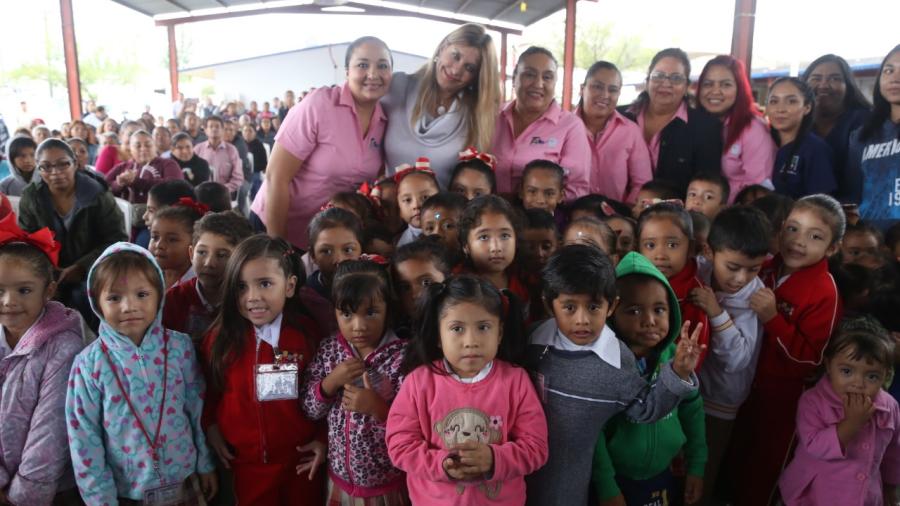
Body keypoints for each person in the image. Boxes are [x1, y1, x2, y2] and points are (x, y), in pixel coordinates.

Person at [524, 246, 703, 506]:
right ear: (548, 305)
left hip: (567, 480)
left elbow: (645, 409)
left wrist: (678, 373)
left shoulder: (617, 362)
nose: (582, 319)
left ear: (611, 306)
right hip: (517, 465)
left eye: (594, 306)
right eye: (569, 307)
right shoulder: (533, 339)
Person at [65, 243, 217, 505]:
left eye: (142, 294)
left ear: (159, 295)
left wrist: (205, 463)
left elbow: (198, 410)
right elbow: (83, 439)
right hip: (124, 493)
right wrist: (101, 500)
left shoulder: (180, 348)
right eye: (114, 298)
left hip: (185, 481)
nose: (129, 306)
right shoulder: (88, 365)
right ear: (96, 302)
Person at [386, 274, 548, 504]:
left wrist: (494, 459)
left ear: (499, 333)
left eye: (483, 327)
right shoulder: (418, 382)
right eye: (457, 329)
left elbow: (536, 448)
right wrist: (441, 464)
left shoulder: (516, 381)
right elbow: (400, 445)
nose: (471, 341)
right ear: (439, 336)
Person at [731, 194, 845, 505]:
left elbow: (809, 360)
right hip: (744, 383)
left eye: (815, 236)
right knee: (735, 451)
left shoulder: (823, 290)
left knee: (766, 463)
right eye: (793, 229)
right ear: (781, 229)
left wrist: (773, 319)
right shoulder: (765, 267)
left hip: (784, 397)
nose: (798, 242)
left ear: (832, 248)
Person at [201, 235, 326, 505]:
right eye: (241, 287)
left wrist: (322, 439)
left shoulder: (307, 335)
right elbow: (209, 390)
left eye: (265, 284)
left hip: (301, 462)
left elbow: (327, 394)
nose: (252, 297)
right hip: (245, 465)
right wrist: (210, 425)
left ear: (290, 286)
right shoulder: (219, 339)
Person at [252, 37, 393, 249]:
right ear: (347, 71)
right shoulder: (320, 105)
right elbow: (276, 177)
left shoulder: (385, 121)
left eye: (382, 66)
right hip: (276, 226)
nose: (373, 74)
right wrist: (277, 246)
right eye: (362, 65)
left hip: (325, 238)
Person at [592, 252, 707, 506]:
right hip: (614, 481)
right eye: (633, 310)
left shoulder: (676, 358)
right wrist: (606, 487)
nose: (650, 321)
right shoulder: (604, 366)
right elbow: (594, 435)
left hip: (662, 476)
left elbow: (693, 411)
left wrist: (697, 466)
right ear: (611, 314)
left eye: (659, 309)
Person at [303, 258, 408, 503]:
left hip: (387, 484)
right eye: (347, 314)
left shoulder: (403, 358)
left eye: (371, 312)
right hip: (339, 480)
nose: (358, 326)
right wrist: (330, 382)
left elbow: (415, 426)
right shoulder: (330, 349)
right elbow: (310, 410)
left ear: (388, 310)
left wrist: (378, 408)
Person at [688, 206, 770, 504]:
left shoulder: (754, 297)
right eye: (733, 267)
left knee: (704, 470)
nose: (741, 278)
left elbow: (738, 360)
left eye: (754, 269)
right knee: (680, 461)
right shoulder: (698, 269)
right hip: (689, 387)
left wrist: (716, 312)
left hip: (721, 399)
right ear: (709, 251)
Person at [0, 215, 84, 505]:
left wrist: (22, 496)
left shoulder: (63, 348)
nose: (8, 301)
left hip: (47, 489)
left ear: (48, 291)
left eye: (23, 290)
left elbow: (50, 433)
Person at [779, 317, 900, 505]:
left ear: (886, 374)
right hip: (814, 496)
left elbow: (893, 452)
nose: (858, 383)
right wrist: (852, 424)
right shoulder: (813, 401)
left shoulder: (889, 406)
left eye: (872, 376)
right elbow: (815, 446)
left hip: (865, 497)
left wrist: (891, 489)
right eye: (846, 371)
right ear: (828, 365)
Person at [17, 139, 127, 323]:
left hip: (93, 267)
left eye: (63, 164)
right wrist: (47, 269)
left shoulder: (96, 194)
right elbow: (26, 241)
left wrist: (81, 267)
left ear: (75, 163)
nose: (55, 172)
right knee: (25, 293)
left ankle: (103, 344)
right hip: (47, 269)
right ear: (38, 168)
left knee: (83, 295)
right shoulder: (31, 196)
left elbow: (117, 239)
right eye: (46, 167)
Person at [383, 24, 500, 188]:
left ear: (476, 77)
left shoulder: (478, 116)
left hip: (442, 213)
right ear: (442, 48)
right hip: (388, 209)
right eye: (455, 56)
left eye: (469, 68)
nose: (456, 70)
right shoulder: (397, 87)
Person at [491, 47, 591, 200]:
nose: (538, 84)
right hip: (490, 215)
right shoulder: (492, 117)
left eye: (547, 77)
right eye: (529, 74)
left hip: (542, 217)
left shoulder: (571, 126)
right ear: (515, 78)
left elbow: (577, 188)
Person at [623, 48, 723, 194]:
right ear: (647, 80)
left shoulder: (705, 128)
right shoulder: (620, 117)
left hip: (676, 214)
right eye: (658, 76)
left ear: (686, 86)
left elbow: (706, 186)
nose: (666, 83)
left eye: (676, 78)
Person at [638, 202, 711, 366]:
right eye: (650, 245)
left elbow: (693, 357)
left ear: (690, 248)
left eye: (672, 245)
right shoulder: (633, 283)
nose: (660, 255)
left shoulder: (694, 295)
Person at [163, 211, 253, 343]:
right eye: (202, 252)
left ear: (242, 260)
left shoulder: (247, 301)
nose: (209, 263)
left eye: (222, 255)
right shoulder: (173, 300)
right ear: (191, 253)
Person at [697, 55, 777, 199]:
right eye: (708, 84)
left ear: (739, 89)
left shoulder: (753, 129)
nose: (715, 91)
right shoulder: (701, 124)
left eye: (725, 85)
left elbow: (759, 190)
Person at [577, 61, 653, 203]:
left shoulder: (630, 132)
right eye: (597, 87)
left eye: (612, 90)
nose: (605, 95)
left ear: (618, 94)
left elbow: (642, 183)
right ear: (582, 89)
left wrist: (625, 214)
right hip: (570, 217)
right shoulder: (566, 127)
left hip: (616, 219)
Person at [803, 54, 873, 201]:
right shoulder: (797, 125)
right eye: (816, 78)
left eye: (835, 78)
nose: (823, 85)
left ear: (848, 86)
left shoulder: (865, 121)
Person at [848, 44, 900, 228]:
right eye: (889, 70)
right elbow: (853, 194)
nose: (895, 78)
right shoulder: (861, 136)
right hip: (871, 244)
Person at [767, 77, 838, 199]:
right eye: (774, 101)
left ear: (807, 108)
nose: (780, 109)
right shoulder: (764, 143)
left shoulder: (815, 149)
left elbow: (821, 204)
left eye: (791, 101)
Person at [106, 130, 183, 204]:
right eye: (138, 146)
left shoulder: (168, 164)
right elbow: (104, 186)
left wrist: (137, 182)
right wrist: (119, 183)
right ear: (130, 149)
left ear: (155, 146)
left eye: (148, 145)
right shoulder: (123, 167)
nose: (143, 149)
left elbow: (175, 186)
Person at [149, 203, 205, 288]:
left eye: (172, 240)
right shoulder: (147, 275)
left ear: (194, 244)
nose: (159, 245)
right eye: (155, 237)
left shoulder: (199, 286)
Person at [193, 116, 243, 197]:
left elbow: (238, 178)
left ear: (223, 130)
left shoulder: (231, 150)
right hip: (202, 193)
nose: (214, 129)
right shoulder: (197, 149)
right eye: (211, 126)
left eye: (217, 126)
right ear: (205, 130)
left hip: (224, 193)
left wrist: (222, 190)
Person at [395, 161, 440, 247]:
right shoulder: (402, 244)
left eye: (425, 197)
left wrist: (438, 216)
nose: (416, 205)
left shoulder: (445, 222)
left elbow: (438, 215)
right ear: (400, 210)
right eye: (408, 200)